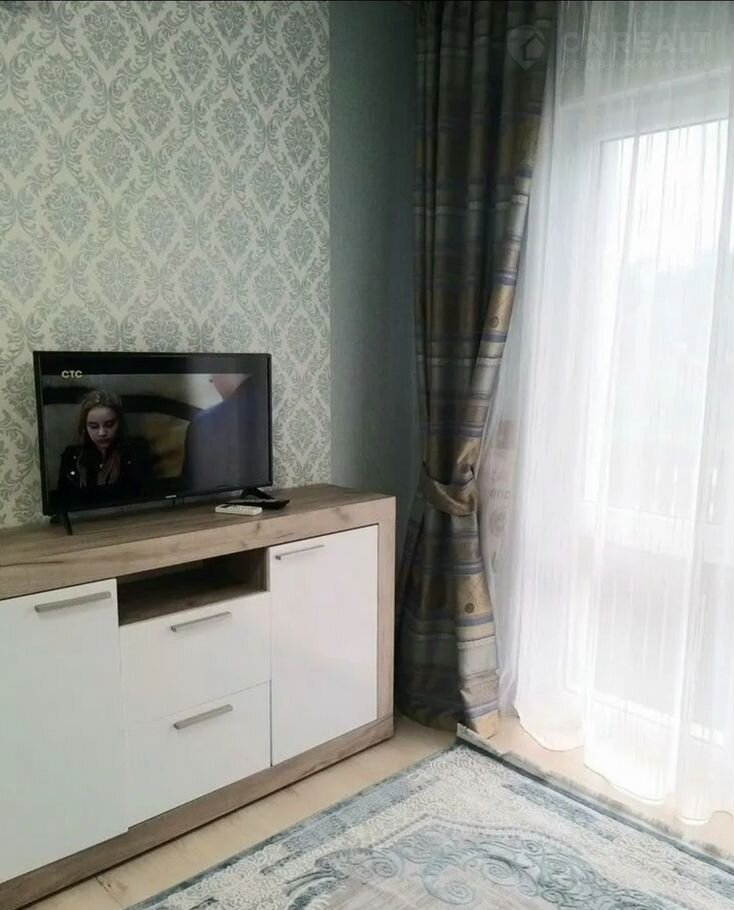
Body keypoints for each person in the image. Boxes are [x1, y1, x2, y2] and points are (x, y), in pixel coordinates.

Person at [57, 390, 153, 505]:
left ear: (119, 423)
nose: (102, 433)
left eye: (109, 425)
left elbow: (145, 496)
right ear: (85, 427)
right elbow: (63, 501)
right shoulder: (71, 456)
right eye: (94, 426)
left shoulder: (136, 451)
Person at [181, 373, 268, 491]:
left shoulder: (204, 422)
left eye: (213, 375)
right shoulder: (266, 400)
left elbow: (188, 485)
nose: (211, 381)